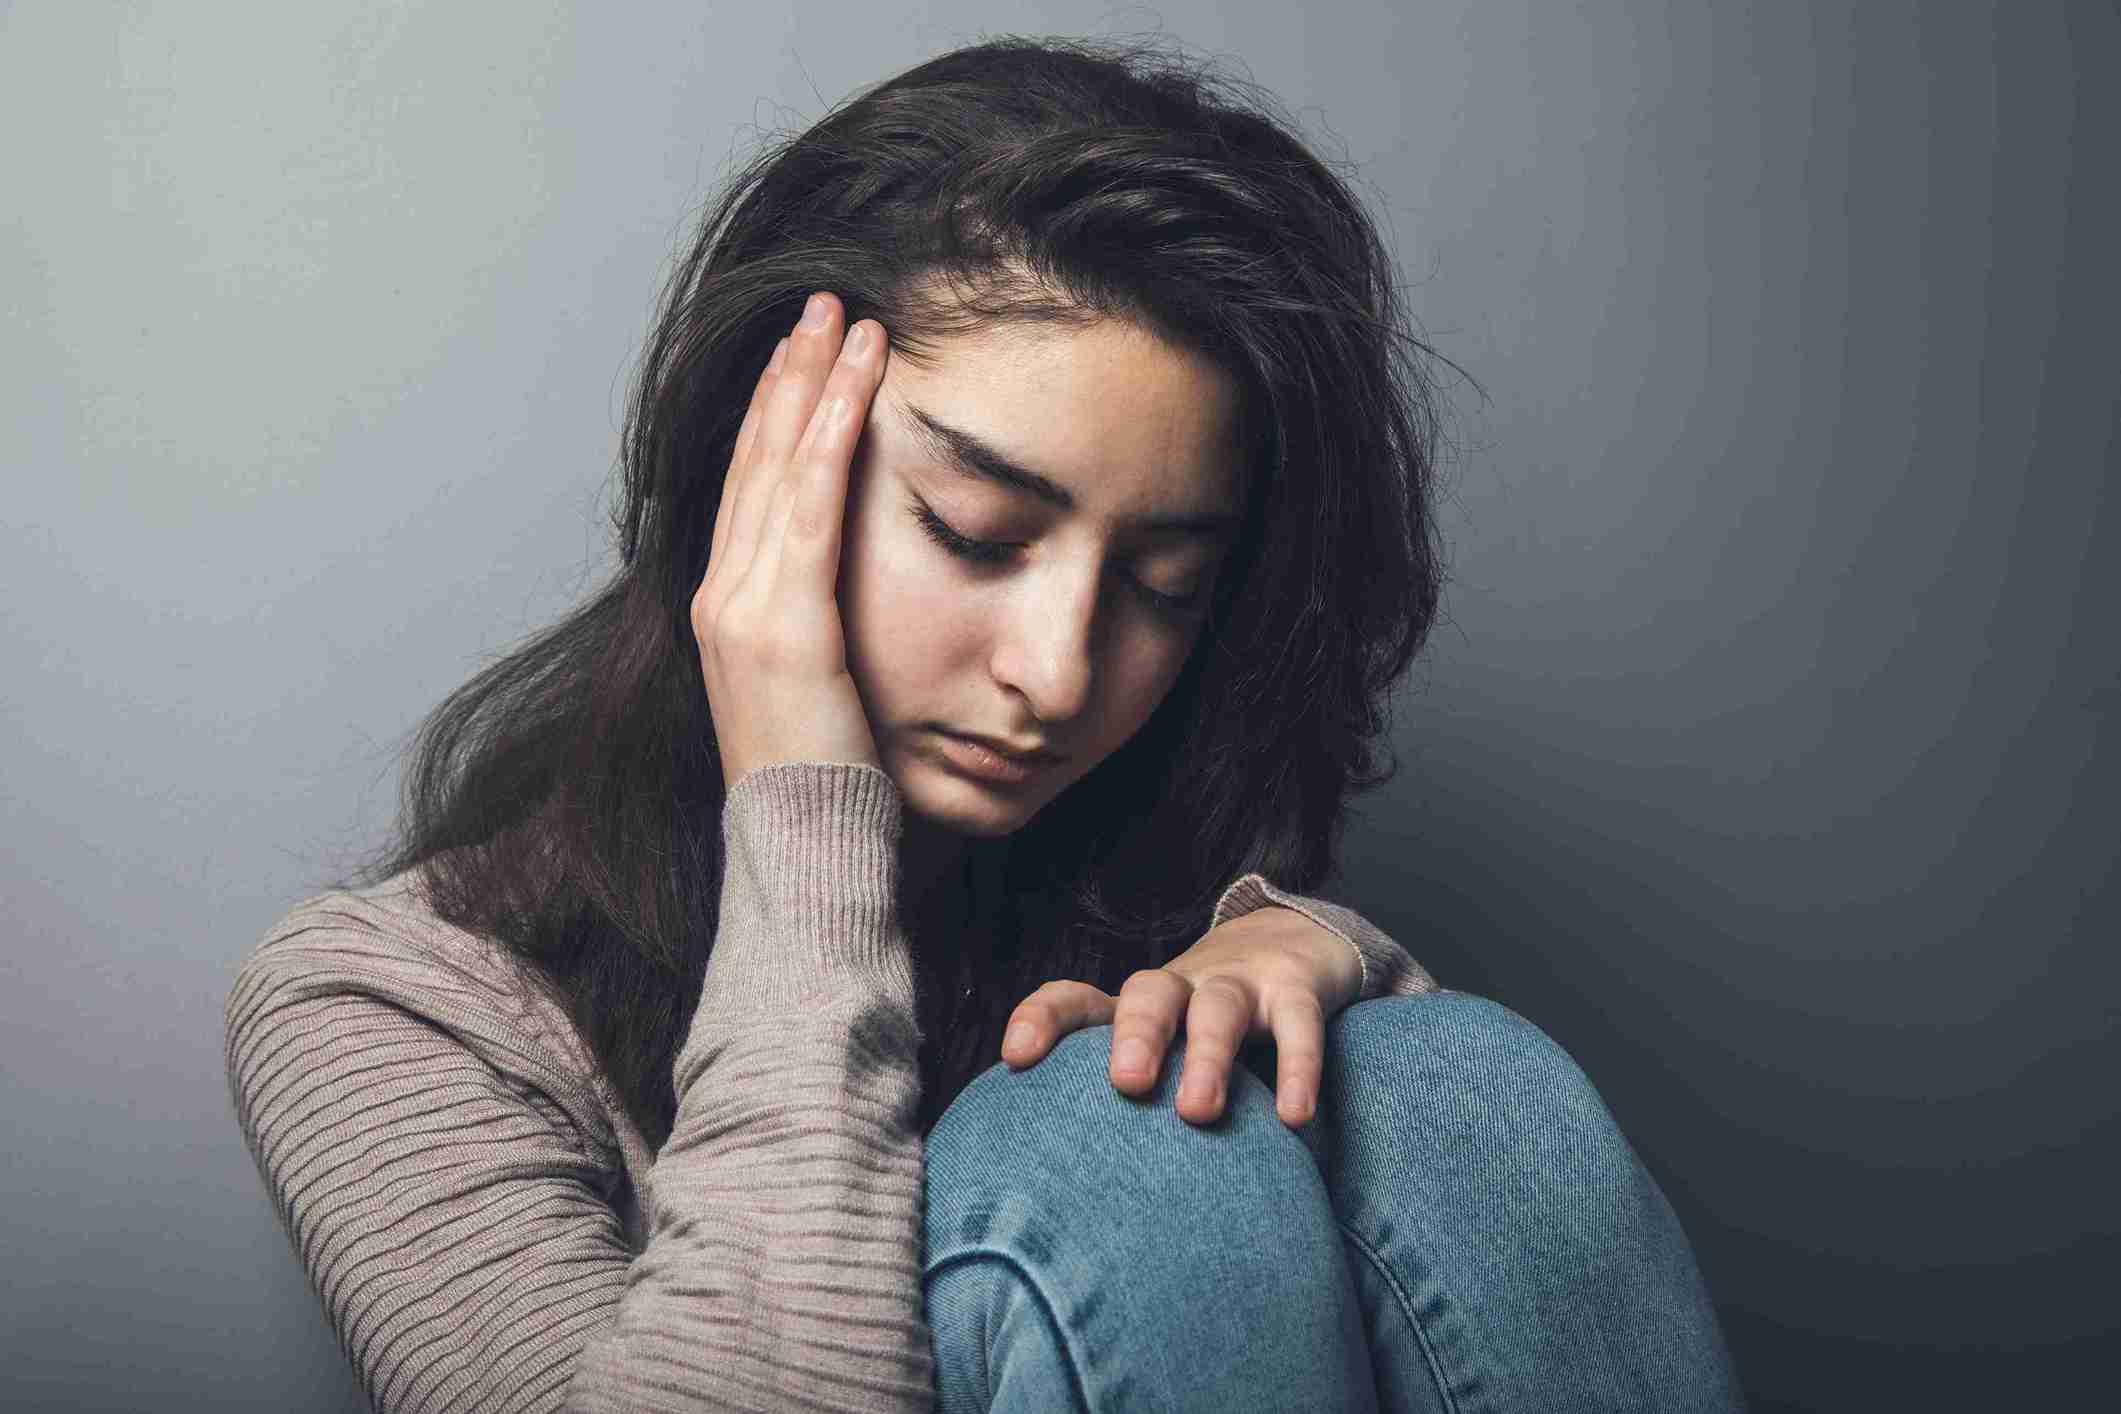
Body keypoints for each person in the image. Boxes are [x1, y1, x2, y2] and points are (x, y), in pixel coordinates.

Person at [223, 34, 1744, 1414]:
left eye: (1162, 584)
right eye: (972, 530)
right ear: (755, 478)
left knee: (1449, 1079)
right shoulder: (384, 1008)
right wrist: (803, 799)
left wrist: (1320, 969)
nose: (1059, 671)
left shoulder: (1128, 885)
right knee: (1108, 1137)